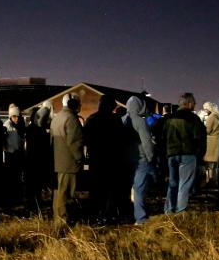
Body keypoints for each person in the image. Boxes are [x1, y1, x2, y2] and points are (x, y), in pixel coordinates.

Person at [162, 92, 207, 214]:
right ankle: (181, 211)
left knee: (173, 183)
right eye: (194, 103)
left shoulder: (169, 118)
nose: (195, 105)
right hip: (188, 154)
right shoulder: (194, 119)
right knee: (184, 184)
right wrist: (200, 156)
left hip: (171, 153)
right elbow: (200, 138)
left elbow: (161, 136)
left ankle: (169, 210)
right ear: (190, 103)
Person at [82, 95, 123, 223]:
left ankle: (93, 214)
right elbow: (121, 140)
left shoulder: (92, 119)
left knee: (95, 188)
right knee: (111, 188)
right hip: (112, 158)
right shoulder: (116, 119)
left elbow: (85, 138)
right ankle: (108, 214)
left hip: (96, 157)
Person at [50, 97, 83, 224]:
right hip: (68, 162)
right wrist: (79, 157)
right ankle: (63, 222)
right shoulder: (71, 119)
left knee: (58, 193)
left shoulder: (57, 117)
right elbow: (75, 142)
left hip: (57, 161)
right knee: (66, 194)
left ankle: (58, 219)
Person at [125, 95, 155, 224]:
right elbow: (147, 142)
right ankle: (141, 218)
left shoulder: (123, 120)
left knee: (128, 189)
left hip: (126, 160)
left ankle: (128, 215)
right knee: (139, 190)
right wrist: (151, 157)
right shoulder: (140, 121)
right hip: (141, 159)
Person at [23, 105, 52, 214]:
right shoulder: (40, 131)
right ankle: (35, 206)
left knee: (31, 187)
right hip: (37, 162)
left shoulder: (30, 129)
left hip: (30, 162)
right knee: (36, 187)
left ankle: (31, 206)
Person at [3, 104, 26, 208]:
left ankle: (17, 197)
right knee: (10, 178)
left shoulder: (20, 125)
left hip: (18, 154)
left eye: (17, 116)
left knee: (17, 178)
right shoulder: (7, 126)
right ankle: (10, 200)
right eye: (14, 116)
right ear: (10, 117)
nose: (16, 118)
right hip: (10, 155)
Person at [202, 101, 219, 184]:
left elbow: (207, 130)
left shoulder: (211, 117)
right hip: (218, 139)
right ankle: (215, 179)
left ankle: (210, 180)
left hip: (211, 141)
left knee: (209, 162)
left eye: (205, 109)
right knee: (215, 163)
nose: (205, 111)